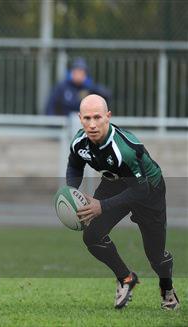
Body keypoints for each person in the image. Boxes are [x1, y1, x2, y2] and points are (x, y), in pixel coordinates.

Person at [66, 94, 180, 310]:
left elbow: (140, 189)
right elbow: (74, 165)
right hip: (113, 183)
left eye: (97, 117)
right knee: (92, 236)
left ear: (108, 117)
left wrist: (102, 206)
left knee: (155, 256)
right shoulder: (80, 142)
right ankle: (126, 278)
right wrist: (70, 191)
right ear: (80, 119)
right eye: (87, 118)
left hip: (149, 190)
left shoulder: (125, 149)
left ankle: (167, 289)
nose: (92, 124)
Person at [46, 57, 111, 116]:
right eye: (76, 72)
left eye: (81, 72)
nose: (78, 75)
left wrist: (91, 87)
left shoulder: (90, 88)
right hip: (64, 124)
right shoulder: (62, 87)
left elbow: (106, 96)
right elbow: (50, 106)